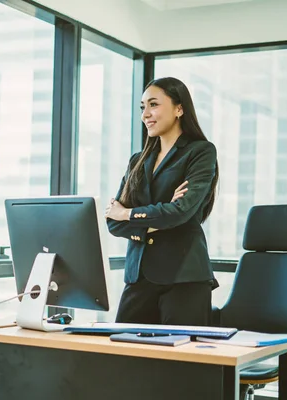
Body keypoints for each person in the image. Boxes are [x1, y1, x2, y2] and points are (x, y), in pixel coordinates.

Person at [104, 76, 219, 326]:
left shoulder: (200, 152)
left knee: (179, 362)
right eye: (143, 107)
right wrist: (162, 216)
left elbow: (180, 212)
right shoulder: (137, 160)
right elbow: (113, 223)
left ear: (179, 108)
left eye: (154, 104)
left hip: (184, 277)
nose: (146, 113)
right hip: (139, 276)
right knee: (123, 356)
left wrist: (128, 214)